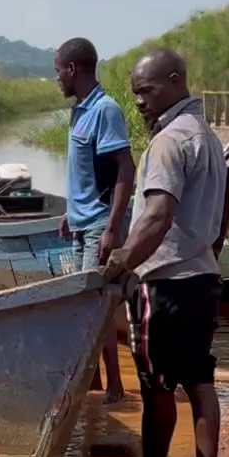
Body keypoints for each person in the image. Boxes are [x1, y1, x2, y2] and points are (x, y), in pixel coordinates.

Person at [100, 49, 228, 457]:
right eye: (134, 94)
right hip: (203, 278)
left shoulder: (168, 143)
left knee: (156, 386)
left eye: (146, 91)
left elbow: (156, 216)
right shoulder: (208, 138)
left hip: (167, 285)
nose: (138, 102)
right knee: (200, 383)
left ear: (176, 82)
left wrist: (120, 264)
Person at [55, 37, 135, 403]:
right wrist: (68, 212)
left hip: (98, 226)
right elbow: (83, 172)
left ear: (73, 69)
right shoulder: (79, 111)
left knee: (92, 308)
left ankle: (113, 386)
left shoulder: (105, 110)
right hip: (80, 224)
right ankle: (98, 383)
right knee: (89, 307)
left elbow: (125, 170)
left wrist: (112, 228)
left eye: (58, 71)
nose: (57, 79)